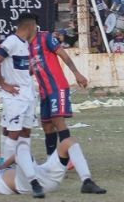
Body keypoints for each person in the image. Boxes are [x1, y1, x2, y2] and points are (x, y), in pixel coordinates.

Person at [0, 13, 45, 198]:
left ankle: (23, 164)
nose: (36, 31)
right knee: (13, 132)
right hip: (14, 96)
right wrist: (3, 83)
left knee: (26, 131)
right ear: (30, 26)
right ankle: (4, 166)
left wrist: (31, 69)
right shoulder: (11, 41)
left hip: (28, 95)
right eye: (36, 27)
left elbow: (20, 67)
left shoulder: (25, 45)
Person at [29, 25, 89, 157]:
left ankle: (69, 158)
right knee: (47, 126)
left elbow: (63, 55)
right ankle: (52, 161)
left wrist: (77, 73)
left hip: (57, 87)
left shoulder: (45, 37)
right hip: (44, 92)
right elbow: (29, 70)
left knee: (58, 120)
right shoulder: (24, 47)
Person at [0, 136, 106, 196]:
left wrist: (3, 165)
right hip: (27, 185)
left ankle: (87, 182)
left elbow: (15, 156)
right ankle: (35, 186)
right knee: (21, 146)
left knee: (68, 142)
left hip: (41, 176)